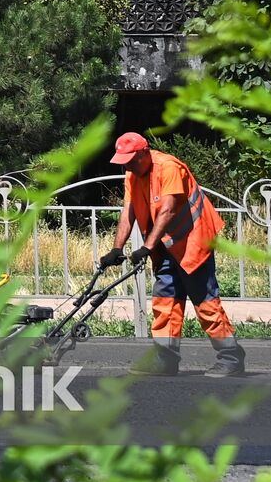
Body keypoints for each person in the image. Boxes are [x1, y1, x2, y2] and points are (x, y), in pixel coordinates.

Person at [99, 131, 247, 378]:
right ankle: (165, 359)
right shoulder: (132, 173)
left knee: (205, 301)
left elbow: (167, 210)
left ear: (145, 152)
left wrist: (146, 247)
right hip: (165, 245)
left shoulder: (169, 167)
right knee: (165, 301)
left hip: (192, 241)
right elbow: (129, 211)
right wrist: (117, 248)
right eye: (124, 161)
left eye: (132, 160)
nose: (129, 165)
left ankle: (231, 358)